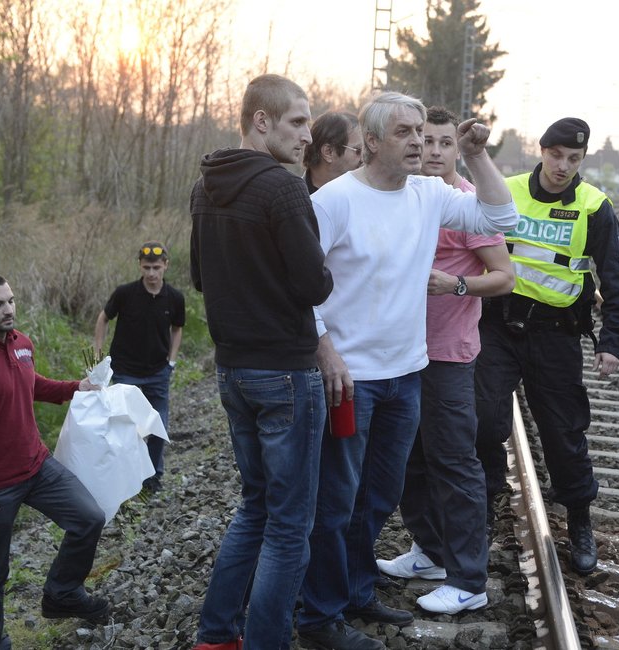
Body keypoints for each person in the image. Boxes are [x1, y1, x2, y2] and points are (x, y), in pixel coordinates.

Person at [298, 92, 517, 650]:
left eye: (421, 130)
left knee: (378, 495)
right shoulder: (334, 200)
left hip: (407, 374)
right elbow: (300, 284)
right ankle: (320, 615)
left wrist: (476, 156)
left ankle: (357, 591)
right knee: (338, 498)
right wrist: (325, 349)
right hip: (352, 379)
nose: (419, 141)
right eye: (404, 132)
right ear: (371, 142)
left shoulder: (429, 194)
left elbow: (501, 216)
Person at [188, 73, 334, 650]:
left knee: (255, 507)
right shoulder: (282, 188)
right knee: (289, 523)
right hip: (286, 373)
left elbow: (200, 277)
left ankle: (216, 635)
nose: (307, 135)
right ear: (261, 120)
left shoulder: (206, 186)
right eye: (298, 122)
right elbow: (315, 285)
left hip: (234, 370)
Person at [474, 117, 619, 576]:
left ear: (582, 160)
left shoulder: (593, 206)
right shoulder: (506, 190)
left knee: (564, 434)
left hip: (557, 332)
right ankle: (485, 509)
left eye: (574, 159)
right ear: (541, 151)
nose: (563, 166)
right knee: (484, 420)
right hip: (498, 327)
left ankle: (580, 519)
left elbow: (617, 278)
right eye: (557, 155)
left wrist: (613, 342)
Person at [376, 106, 514, 614]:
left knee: (455, 463)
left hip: (448, 356)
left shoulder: (465, 205)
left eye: (442, 143)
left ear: (458, 150)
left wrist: (456, 283)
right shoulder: (409, 197)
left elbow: (505, 276)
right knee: (409, 461)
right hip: (401, 353)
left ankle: (468, 580)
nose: (432, 151)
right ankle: (429, 553)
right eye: (425, 141)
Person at [0, 273, 110, 650]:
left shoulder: (21, 343)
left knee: (89, 518)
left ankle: (62, 593)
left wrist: (76, 388)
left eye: (11, 300)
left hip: (37, 465)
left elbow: (30, 383)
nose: (8, 310)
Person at [93, 241, 185, 493]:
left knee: (157, 427)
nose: (152, 273)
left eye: (156, 267)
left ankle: (153, 478)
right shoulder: (125, 293)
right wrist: (98, 354)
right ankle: (124, 478)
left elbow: (177, 329)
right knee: (125, 428)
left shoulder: (175, 298)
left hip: (158, 371)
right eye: (147, 267)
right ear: (140, 266)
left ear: (166, 265)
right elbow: (103, 318)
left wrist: (171, 361)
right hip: (125, 371)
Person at [303, 110, 362, 194]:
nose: (363, 158)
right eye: (358, 151)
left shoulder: (363, 195)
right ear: (328, 152)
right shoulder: (292, 200)